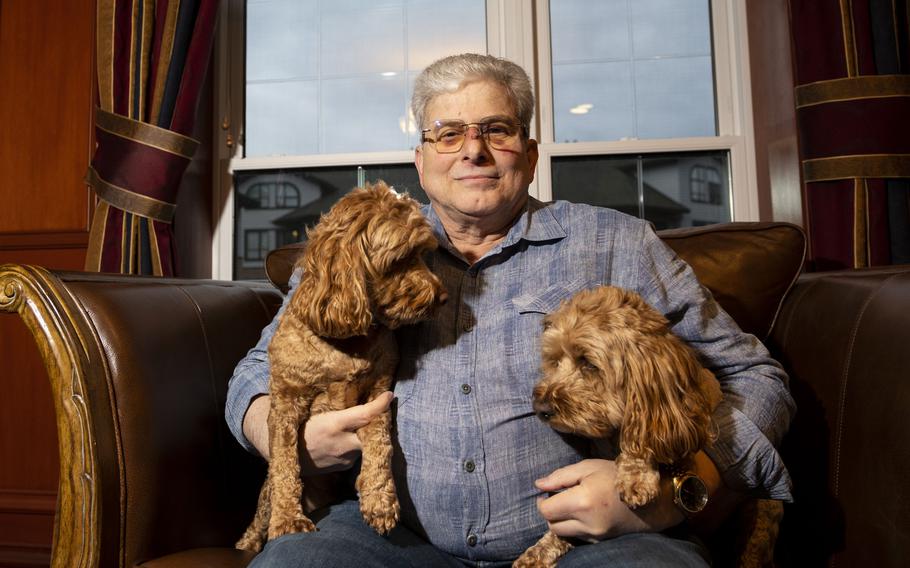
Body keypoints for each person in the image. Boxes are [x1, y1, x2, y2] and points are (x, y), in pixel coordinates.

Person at [226, 53, 795, 567]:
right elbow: (254, 374)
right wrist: (296, 439)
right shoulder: (361, 253)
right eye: (448, 134)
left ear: (529, 153)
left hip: (599, 541)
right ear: (420, 162)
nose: (473, 149)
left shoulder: (617, 244)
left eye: (495, 130)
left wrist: (678, 492)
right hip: (391, 534)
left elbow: (756, 377)